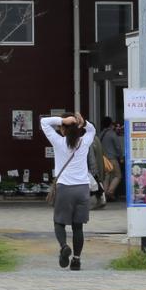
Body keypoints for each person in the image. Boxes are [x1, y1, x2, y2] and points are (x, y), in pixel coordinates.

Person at [40, 112, 95, 270]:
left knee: (59, 222)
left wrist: (63, 119)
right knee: (78, 227)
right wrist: (84, 123)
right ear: (77, 128)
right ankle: (76, 260)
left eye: (60, 127)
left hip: (64, 188)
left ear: (63, 129)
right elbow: (92, 131)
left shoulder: (58, 142)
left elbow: (44, 122)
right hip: (83, 189)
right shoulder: (84, 142)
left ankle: (64, 246)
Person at [97, 119, 125, 205]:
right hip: (112, 158)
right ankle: (110, 192)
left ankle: (105, 194)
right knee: (118, 175)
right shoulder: (112, 134)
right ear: (110, 125)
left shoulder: (100, 134)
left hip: (103, 159)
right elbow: (118, 147)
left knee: (107, 176)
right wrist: (121, 157)